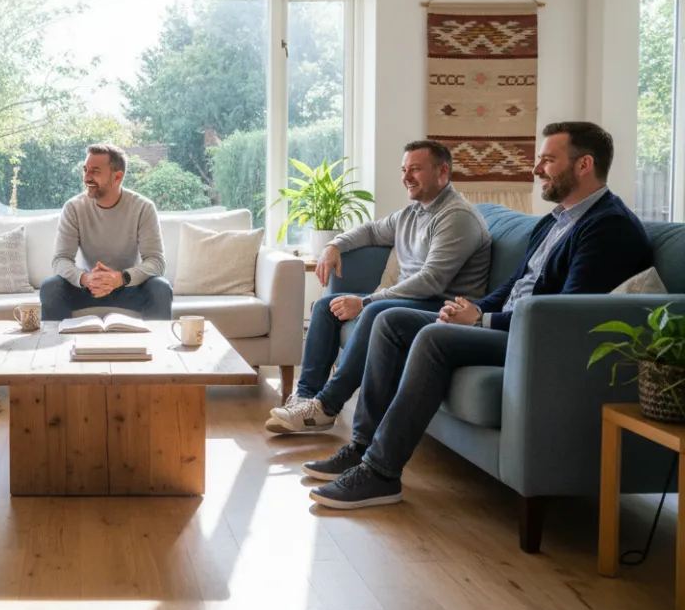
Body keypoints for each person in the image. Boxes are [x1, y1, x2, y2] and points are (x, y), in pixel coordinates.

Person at [306, 122, 654, 510]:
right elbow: (516, 285)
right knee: (389, 321)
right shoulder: (555, 220)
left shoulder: (608, 227)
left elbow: (563, 315)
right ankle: (361, 447)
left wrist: (480, 322)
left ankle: (381, 473)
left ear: (585, 164)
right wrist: (476, 309)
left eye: (548, 160)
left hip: (535, 342)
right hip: (511, 325)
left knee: (433, 339)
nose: (537, 169)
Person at [267, 140, 492, 434]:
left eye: (415, 169)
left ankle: (327, 407)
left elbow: (431, 280)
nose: (406, 177)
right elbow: (372, 231)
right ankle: (306, 397)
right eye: (404, 169)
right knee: (326, 306)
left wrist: (366, 302)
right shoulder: (413, 213)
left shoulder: (457, 217)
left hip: (445, 307)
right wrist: (334, 244)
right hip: (413, 299)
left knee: (376, 311)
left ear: (442, 172)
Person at [40, 144, 172, 322]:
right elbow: (60, 260)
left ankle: (156, 348)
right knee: (51, 287)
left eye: (94, 171)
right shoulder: (73, 208)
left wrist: (120, 278)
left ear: (117, 177)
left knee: (160, 288)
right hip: (88, 288)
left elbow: (156, 262)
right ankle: (54, 349)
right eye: (85, 170)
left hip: (128, 287)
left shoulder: (143, 208)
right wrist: (86, 278)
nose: (86, 178)